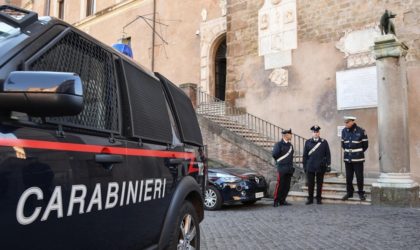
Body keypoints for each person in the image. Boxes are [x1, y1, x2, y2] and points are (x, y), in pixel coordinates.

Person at [341, 116, 368, 201]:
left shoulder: (361, 131)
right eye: (345, 122)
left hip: (358, 159)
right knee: (349, 177)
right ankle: (349, 193)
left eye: (347, 122)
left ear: (352, 122)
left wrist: (357, 152)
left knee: (359, 177)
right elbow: (343, 144)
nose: (346, 124)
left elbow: (365, 145)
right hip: (348, 159)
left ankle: (361, 193)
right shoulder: (344, 131)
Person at [302, 125, 331, 205]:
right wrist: (304, 166)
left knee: (319, 184)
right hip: (310, 166)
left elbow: (327, 154)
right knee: (310, 184)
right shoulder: (308, 142)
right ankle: (310, 199)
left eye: (317, 132)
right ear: (312, 133)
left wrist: (328, 164)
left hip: (320, 166)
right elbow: (305, 155)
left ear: (319, 132)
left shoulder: (324, 142)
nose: (316, 133)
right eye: (314, 132)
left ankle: (319, 199)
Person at [272, 129, 294, 207]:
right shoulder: (278, 144)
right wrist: (281, 162)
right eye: (290, 134)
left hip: (289, 168)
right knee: (280, 185)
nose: (291, 135)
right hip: (281, 168)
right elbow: (274, 154)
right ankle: (276, 200)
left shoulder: (290, 145)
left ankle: (282, 200)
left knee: (287, 186)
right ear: (285, 135)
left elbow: (291, 157)